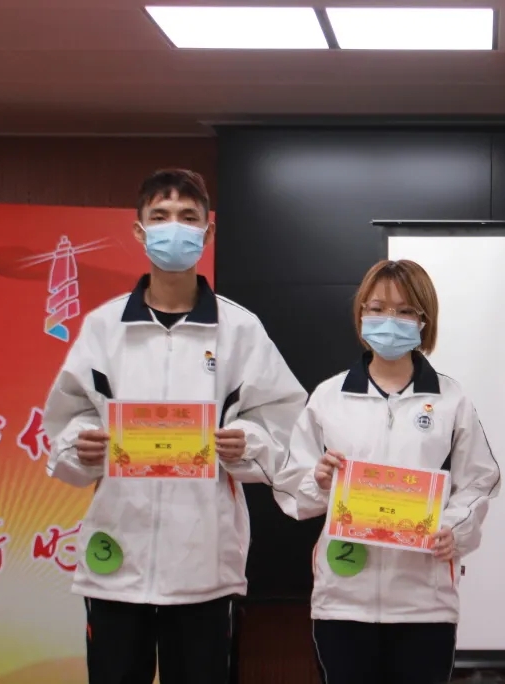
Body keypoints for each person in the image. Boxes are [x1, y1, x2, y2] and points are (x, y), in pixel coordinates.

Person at [42, 168, 308, 684]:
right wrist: (81, 445)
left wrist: (247, 443)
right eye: (161, 216)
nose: (174, 228)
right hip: (117, 555)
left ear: (207, 231)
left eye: (188, 217)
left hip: (203, 561)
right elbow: (67, 416)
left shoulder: (240, 329)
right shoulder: (103, 327)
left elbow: (284, 422)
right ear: (140, 230)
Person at [273, 259, 501, 684]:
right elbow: (291, 489)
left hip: (425, 604)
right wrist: (318, 481)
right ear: (361, 313)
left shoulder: (451, 400)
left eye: (404, 311)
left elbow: (480, 482)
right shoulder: (329, 397)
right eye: (377, 308)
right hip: (343, 600)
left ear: (424, 320)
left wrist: (454, 529)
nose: (389, 320)